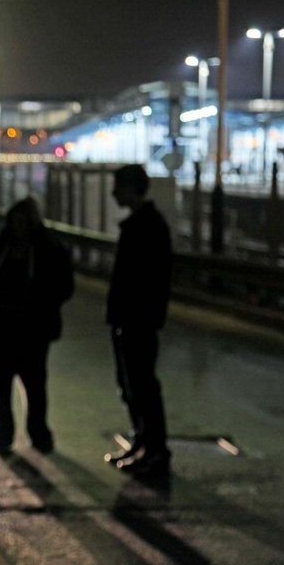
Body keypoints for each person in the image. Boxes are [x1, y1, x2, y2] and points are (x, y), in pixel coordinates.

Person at [0, 198, 74, 455]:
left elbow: (63, 285)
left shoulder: (46, 248)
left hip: (31, 330)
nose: (17, 227)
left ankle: (38, 434)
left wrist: (38, 305)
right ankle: (2, 437)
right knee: (0, 387)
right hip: (1, 328)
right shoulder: (5, 246)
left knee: (34, 386)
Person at [104, 164, 173, 478]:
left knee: (142, 385)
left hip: (137, 320)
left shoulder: (146, 226)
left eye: (118, 186)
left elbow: (150, 280)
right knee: (131, 385)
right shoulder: (142, 223)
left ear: (131, 188)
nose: (114, 193)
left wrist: (141, 316)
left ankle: (154, 450)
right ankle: (143, 444)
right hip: (130, 319)